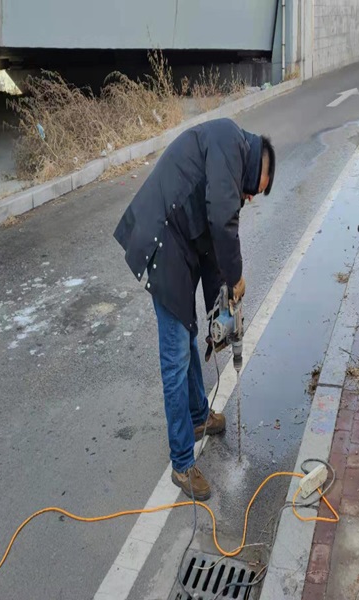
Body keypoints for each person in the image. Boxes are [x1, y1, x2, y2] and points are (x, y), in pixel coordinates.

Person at [114, 118, 275, 500]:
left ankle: (199, 415)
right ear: (259, 165)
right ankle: (182, 462)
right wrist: (236, 277)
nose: (250, 198)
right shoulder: (229, 141)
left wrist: (221, 307)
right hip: (162, 237)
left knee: (187, 337)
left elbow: (212, 244)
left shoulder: (230, 159)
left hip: (180, 239)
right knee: (175, 354)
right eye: (254, 191)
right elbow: (221, 222)